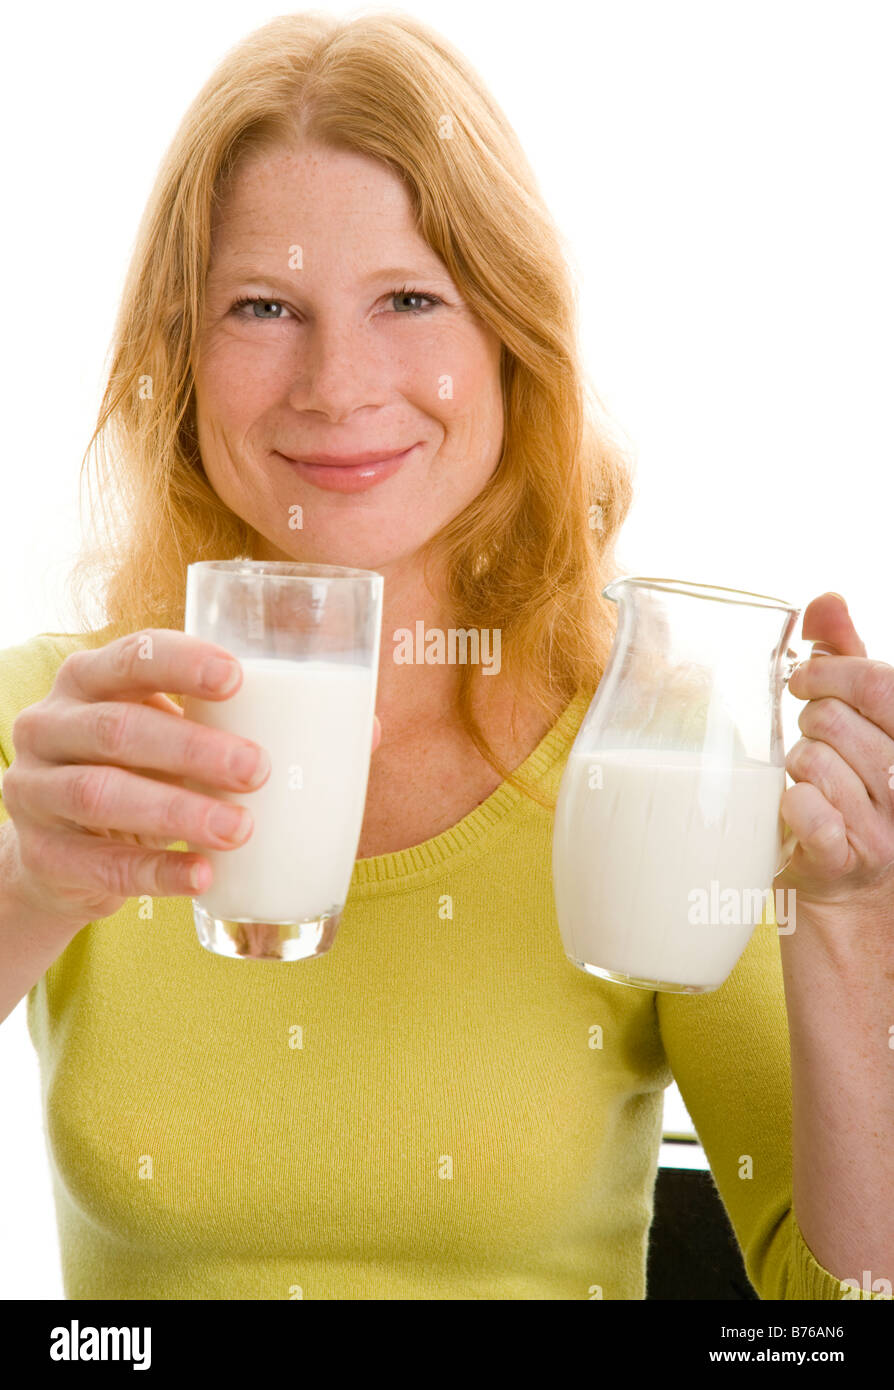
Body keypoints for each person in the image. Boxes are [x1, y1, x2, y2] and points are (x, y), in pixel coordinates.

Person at [0, 11, 891, 1301]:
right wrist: (31, 887)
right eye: (263, 306)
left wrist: (853, 931)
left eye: (410, 298)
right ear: (179, 358)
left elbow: (835, 1321)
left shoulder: (652, 756)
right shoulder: (64, 736)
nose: (337, 383)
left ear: (512, 341)